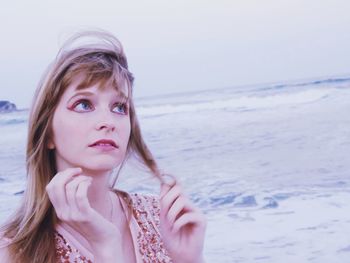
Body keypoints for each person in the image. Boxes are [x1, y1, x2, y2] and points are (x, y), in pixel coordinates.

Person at [0, 30, 206, 263]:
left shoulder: (160, 218)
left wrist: (189, 258)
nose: (108, 122)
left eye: (119, 107)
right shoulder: (13, 251)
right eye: (84, 104)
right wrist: (105, 246)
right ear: (47, 132)